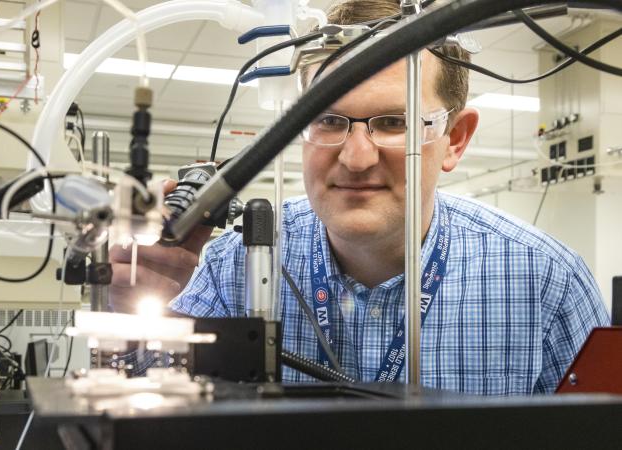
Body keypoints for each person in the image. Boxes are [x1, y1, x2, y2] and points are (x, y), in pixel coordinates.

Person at [110, 0, 609, 394]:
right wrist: (130, 321)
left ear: (455, 139)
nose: (356, 157)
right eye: (327, 119)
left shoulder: (546, 282)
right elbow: (138, 415)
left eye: (393, 122)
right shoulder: (227, 266)